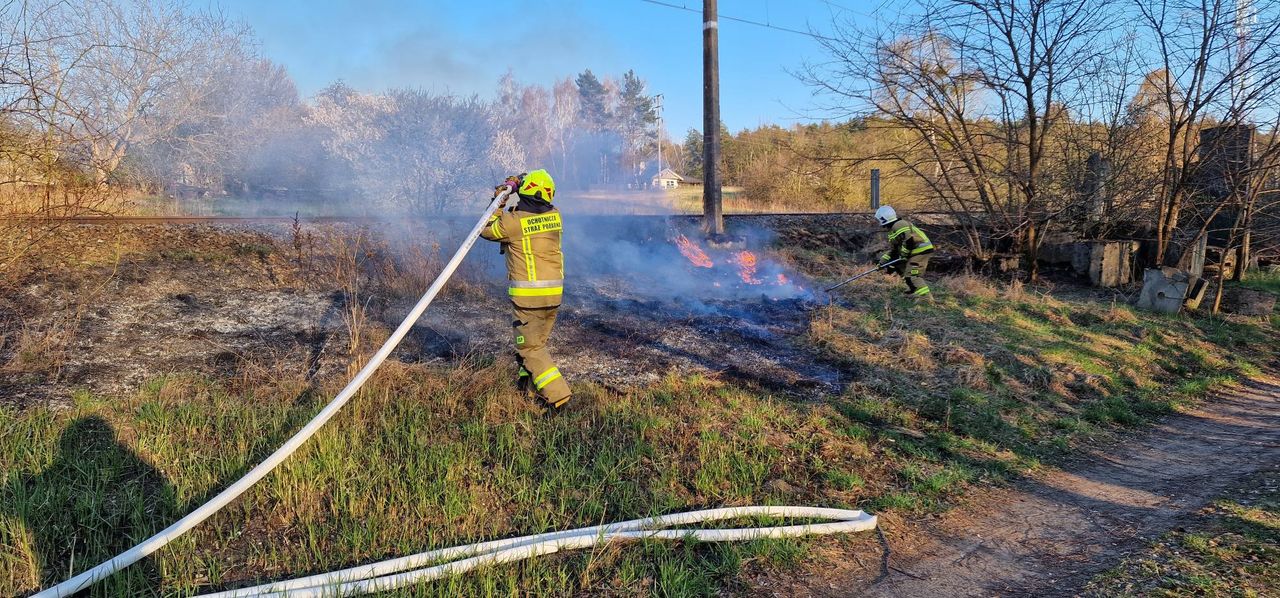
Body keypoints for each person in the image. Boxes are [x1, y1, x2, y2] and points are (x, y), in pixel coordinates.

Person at [479, 169, 571, 411]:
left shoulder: (514, 222)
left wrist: (499, 200)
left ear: (525, 191)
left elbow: (486, 229)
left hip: (529, 299)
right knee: (536, 346)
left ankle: (558, 397)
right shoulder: (555, 215)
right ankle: (527, 391)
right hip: (553, 295)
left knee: (529, 349)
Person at [875, 205, 934, 297]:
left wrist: (904, 255)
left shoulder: (899, 225)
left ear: (884, 218)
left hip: (920, 251)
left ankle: (925, 297)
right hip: (913, 252)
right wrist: (883, 262)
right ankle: (913, 290)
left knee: (912, 274)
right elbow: (894, 250)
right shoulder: (892, 231)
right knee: (900, 267)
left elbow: (909, 241)